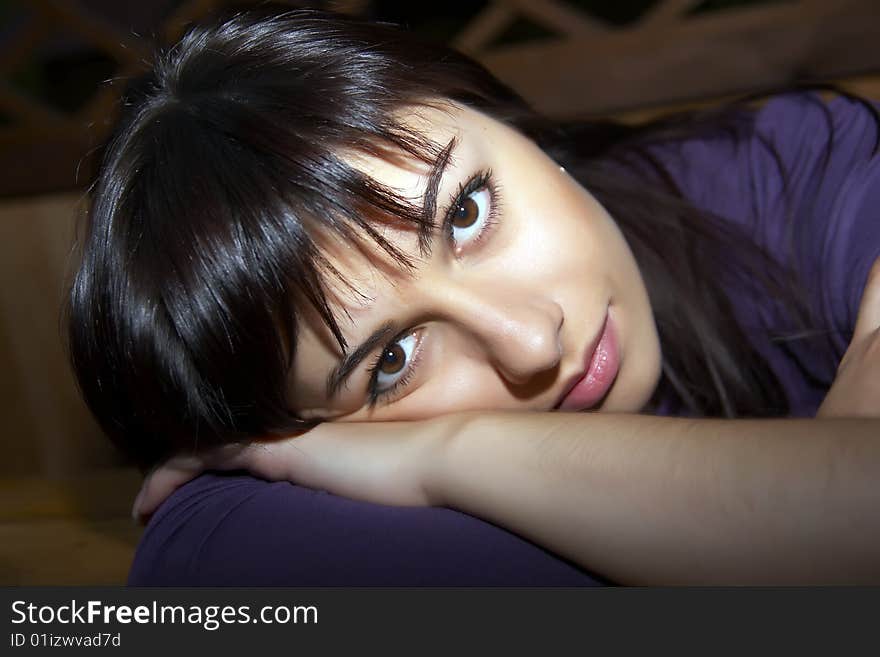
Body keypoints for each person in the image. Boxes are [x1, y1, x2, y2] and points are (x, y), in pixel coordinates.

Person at [66, 6, 880, 585]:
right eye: (393, 359)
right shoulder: (255, 517)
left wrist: (441, 455)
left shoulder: (791, 175)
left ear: (505, 120)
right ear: (306, 425)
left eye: (466, 210)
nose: (530, 341)